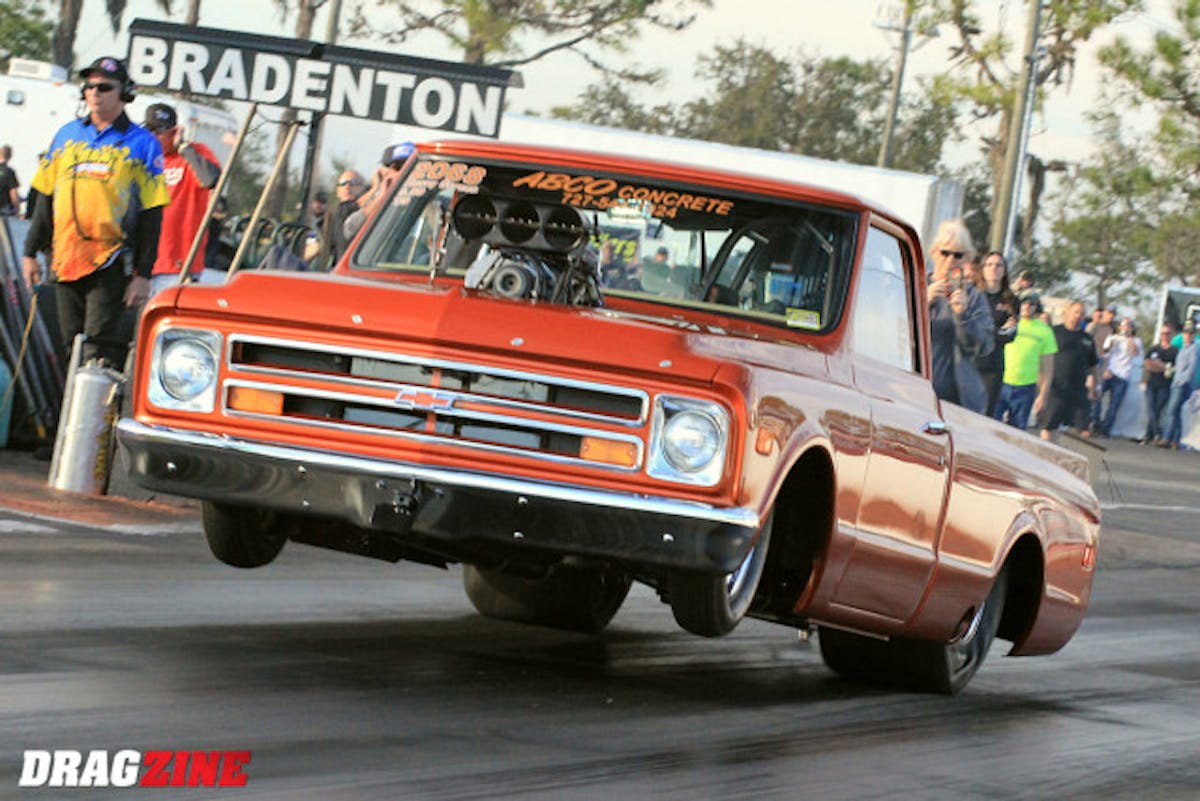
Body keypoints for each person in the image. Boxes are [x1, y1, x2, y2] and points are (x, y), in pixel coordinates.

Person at [20, 56, 168, 367]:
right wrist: (30, 252)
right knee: (68, 344)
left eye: (104, 87)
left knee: (95, 348)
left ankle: (93, 413)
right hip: (66, 256)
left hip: (112, 260)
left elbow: (152, 215)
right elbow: (45, 198)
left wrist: (144, 274)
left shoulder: (143, 143)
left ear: (124, 92)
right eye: (89, 86)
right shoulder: (66, 135)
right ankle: (68, 413)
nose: (94, 93)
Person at [143, 103, 224, 297]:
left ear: (174, 131)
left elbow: (211, 179)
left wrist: (185, 149)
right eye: (149, 130)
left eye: (160, 131)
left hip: (179, 266)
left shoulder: (195, 153)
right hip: (143, 268)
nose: (153, 136)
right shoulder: (143, 157)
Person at [926, 219, 994, 413]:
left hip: (955, 400)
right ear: (934, 252)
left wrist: (962, 316)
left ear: (967, 260)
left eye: (958, 255)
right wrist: (923, 302)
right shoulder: (914, 284)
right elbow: (891, 331)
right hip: (910, 389)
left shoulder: (973, 297)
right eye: (945, 253)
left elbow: (984, 346)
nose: (950, 260)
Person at [993, 292, 1057, 430]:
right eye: (1024, 303)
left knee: (1017, 431)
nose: (1027, 307)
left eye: (1031, 304)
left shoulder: (1045, 331)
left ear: (1036, 307)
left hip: (1025, 388)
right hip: (1000, 382)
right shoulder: (1007, 322)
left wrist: (1043, 395)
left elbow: (1047, 366)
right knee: (991, 425)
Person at [1038, 300, 1096, 440]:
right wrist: (1041, 387)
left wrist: (1095, 385)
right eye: (1076, 312)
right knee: (1048, 427)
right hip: (1056, 387)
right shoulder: (1054, 332)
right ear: (1067, 313)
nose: (1078, 316)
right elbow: (1042, 360)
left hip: (1078, 390)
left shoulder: (1087, 338)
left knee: (1083, 430)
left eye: (1082, 314)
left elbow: (1093, 364)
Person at [975, 250, 1017, 415]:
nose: (994, 269)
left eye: (999, 265)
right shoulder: (973, 295)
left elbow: (1010, 335)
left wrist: (988, 330)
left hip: (993, 366)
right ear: (983, 268)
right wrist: (997, 330)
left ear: (1004, 270)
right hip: (969, 362)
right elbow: (969, 329)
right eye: (989, 264)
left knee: (985, 414)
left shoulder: (1011, 300)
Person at [1099, 317, 1143, 437]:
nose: (1125, 327)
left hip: (1123, 376)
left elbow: (1135, 353)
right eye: (1123, 325)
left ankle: (1105, 429)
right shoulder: (1113, 338)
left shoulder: (1136, 340)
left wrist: (1129, 338)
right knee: (1097, 397)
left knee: (1114, 405)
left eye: (1128, 325)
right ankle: (1095, 423)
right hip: (1110, 372)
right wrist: (1106, 369)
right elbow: (1105, 354)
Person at [1161, 322, 1197, 449]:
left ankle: (1166, 438)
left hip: (1182, 385)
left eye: (1190, 333)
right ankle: (1175, 440)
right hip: (1175, 382)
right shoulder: (1182, 348)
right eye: (1186, 332)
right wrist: (1171, 371)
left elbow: (1190, 369)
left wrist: (1181, 382)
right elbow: (1180, 366)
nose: (1188, 335)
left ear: (1194, 335)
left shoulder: (1194, 349)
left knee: (1171, 410)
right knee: (1175, 412)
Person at [1141, 323, 1177, 444]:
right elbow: (1147, 365)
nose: (1165, 336)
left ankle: (1149, 435)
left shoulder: (1174, 352)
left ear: (1172, 335)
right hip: (1151, 383)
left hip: (1165, 385)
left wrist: (1158, 364)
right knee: (1151, 409)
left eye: (1167, 333)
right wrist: (1164, 366)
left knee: (1157, 409)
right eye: (1163, 333)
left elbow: (1173, 370)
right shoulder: (1154, 349)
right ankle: (1156, 433)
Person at [1085, 306, 1115, 433]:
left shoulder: (1110, 330)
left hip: (1102, 362)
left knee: (1098, 392)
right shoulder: (1094, 326)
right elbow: (1085, 341)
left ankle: (1094, 422)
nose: (1110, 316)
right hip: (1091, 360)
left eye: (1112, 314)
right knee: (1089, 389)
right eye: (1109, 313)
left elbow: (1109, 349)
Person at [0, 145, 19, 215]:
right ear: (10, 156)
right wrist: (17, 209)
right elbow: (13, 193)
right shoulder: (9, 172)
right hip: (3, 210)